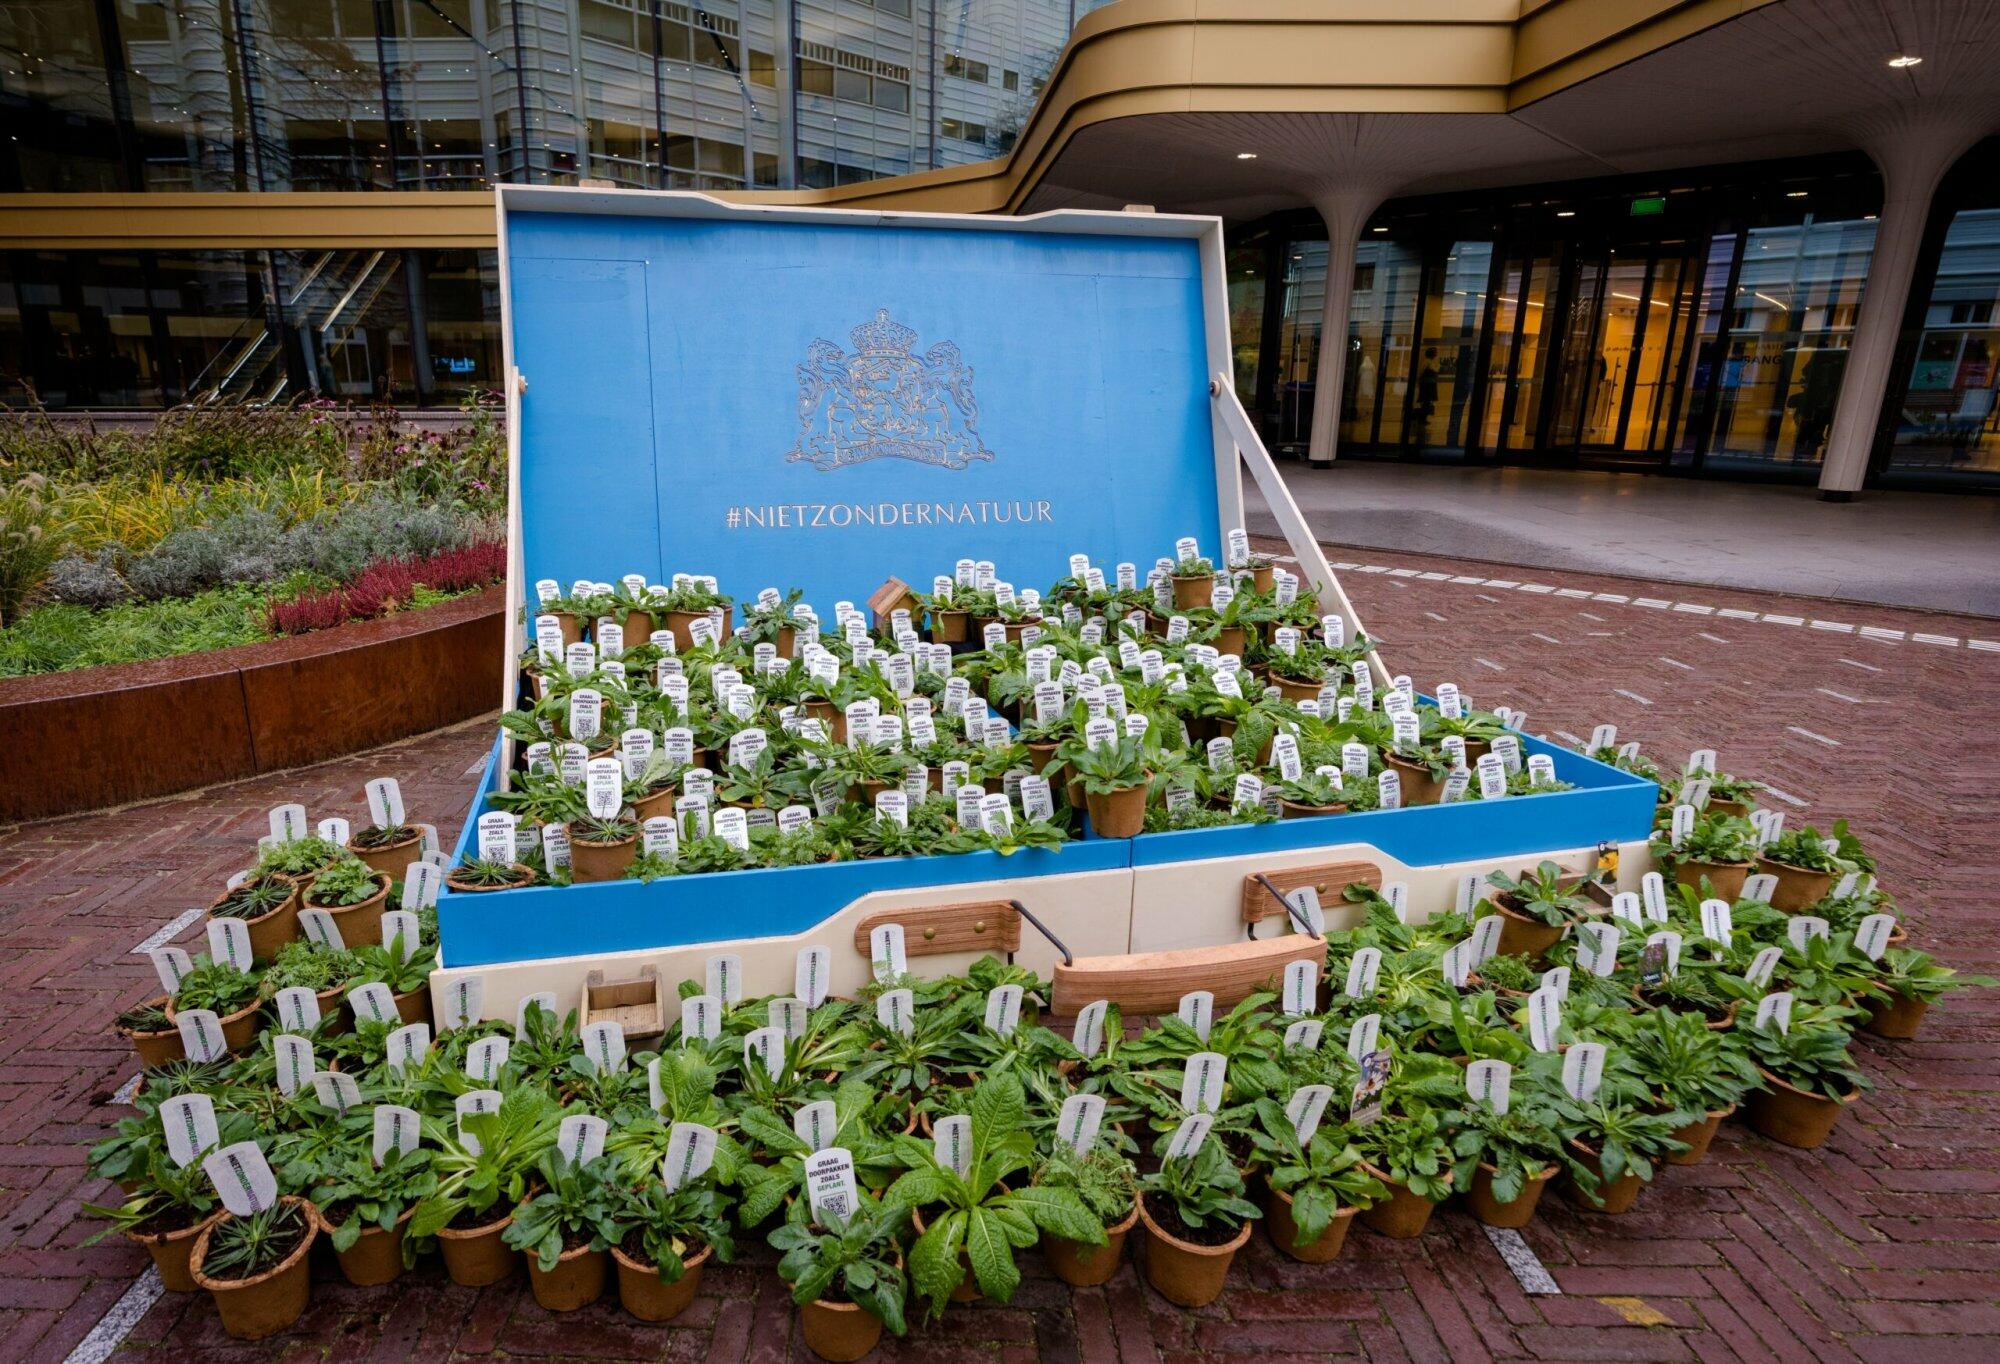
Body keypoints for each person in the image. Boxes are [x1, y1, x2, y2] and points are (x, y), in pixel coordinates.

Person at [1409, 347, 1440, 450]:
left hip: (1429, 385)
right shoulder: (1427, 362)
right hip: (1427, 385)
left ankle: (1424, 417)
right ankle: (1422, 418)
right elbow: (1421, 372)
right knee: (1425, 401)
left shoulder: (1430, 362)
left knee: (1427, 401)